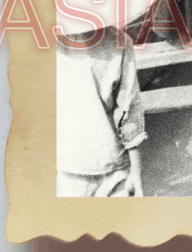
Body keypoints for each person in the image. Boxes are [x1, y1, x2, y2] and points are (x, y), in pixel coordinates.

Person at [56, 21, 146, 197]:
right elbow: (129, 111)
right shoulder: (119, 40)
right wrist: (136, 172)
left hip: (68, 165)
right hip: (113, 163)